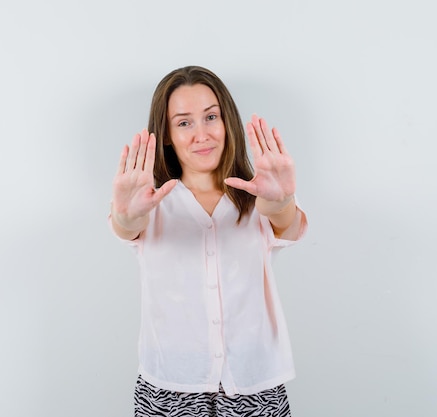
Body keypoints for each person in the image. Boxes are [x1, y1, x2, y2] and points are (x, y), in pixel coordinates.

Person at [109, 65, 308, 417]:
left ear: (227, 120)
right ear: (167, 133)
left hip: (254, 382)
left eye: (210, 117)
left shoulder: (259, 194)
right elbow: (127, 226)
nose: (201, 134)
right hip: (171, 385)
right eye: (184, 122)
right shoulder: (150, 201)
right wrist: (126, 216)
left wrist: (281, 202)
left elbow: (288, 226)